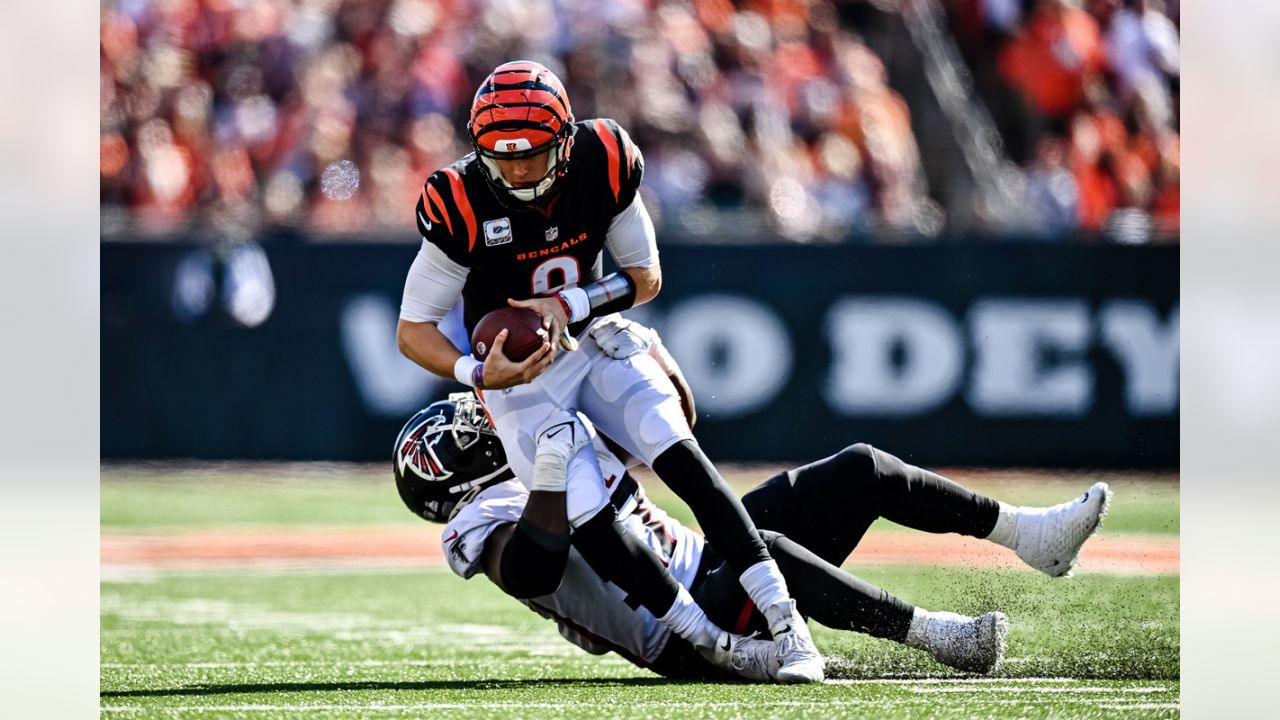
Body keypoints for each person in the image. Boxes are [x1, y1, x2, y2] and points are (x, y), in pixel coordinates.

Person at [395, 60, 822, 680]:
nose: (516, 169)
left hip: (590, 340)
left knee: (680, 455)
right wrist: (480, 375)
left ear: (564, 142)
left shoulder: (603, 157)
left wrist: (569, 304)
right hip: (520, 380)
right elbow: (413, 331)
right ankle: (712, 644)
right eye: (500, 156)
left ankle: (789, 624)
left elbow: (645, 276)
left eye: (532, 155)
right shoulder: (457, 199)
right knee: (588, 514)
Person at [393, 390, 1113, 682]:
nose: (474, 425)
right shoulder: (477, 520)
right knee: (759, 548)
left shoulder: (533, 440)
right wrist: (549, 471)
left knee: (859, 469)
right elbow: (530, 570)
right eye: (456, 436)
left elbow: (677, 421)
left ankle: (1029, 534)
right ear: (447, 480)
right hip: (678, 628)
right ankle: (938, 635)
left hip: (700, 565)